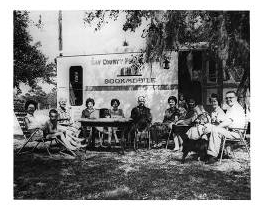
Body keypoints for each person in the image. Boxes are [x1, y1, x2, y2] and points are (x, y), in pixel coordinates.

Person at [204, 91, 245, 164]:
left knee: (215, 130)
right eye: (227, 98)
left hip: (237, 133)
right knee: (210, 127)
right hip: (230, 131)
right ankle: (209, 152)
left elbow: (228, 122)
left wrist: (217, 127)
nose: (228, 99)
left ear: (236, 98)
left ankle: (213, 156)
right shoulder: (231, 108)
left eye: (231, 97)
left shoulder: (236, 108)